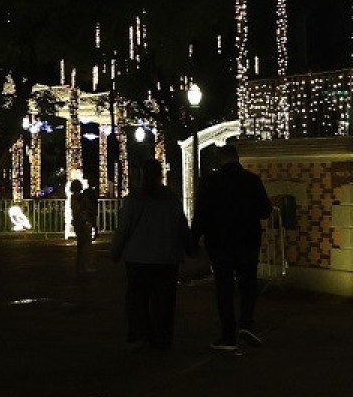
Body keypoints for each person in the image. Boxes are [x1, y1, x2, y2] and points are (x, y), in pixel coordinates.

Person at [191, 143, 273, 348]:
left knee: (224, 287)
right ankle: (246, 322)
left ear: (221, 159)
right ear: (237, 158)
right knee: (248, 283)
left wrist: (192, 241)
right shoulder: (252, 180)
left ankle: (228, 334)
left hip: (220, 243)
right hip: (247, 241)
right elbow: (265, 210)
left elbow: (200, 215)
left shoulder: (210, 182)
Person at [109, 158, 196, 351]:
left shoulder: (134, 199)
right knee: (164, 301)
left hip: (137, 257)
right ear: (160, 175)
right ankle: (162, 338)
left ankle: (140, 335)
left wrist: (115, 252)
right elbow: (181, 227)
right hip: (166, 258)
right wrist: (190, 248)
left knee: (137, 299)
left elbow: (124, 229)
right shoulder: (171, 199)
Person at [70, 178, 97, 273]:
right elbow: (87, 208)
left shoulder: (72, 197)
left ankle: (79, 265)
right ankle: (85, 266)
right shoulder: (82, 198)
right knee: (86, 245)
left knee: (80, 245)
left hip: (77, 223)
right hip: (84, 222)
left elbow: (75, 210)